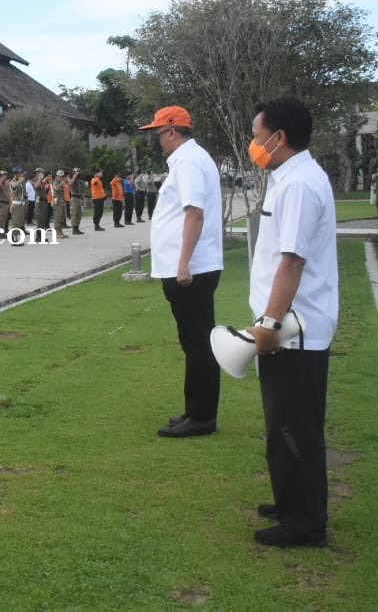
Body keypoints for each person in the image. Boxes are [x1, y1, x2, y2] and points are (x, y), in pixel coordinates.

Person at [244, 97, 338, 547]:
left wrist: (268, 322)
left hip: (294, 329)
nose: (254, 143)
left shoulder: (299, 185)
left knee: (293, 426)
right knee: (286, 421)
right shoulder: (289, 178)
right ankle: (292, 500)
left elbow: (292, 261)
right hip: (289, 325)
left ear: (278, 138)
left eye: (258, 134)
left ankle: (304, 523)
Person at [140, 106, 224, 438]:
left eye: (157, 134)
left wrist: (183, 262)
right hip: (191, 266)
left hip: (191, 269)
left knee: (198, 341)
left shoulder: (188, 161)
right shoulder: (188, 160)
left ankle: (202, 417)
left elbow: (194, 214)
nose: (156, 140)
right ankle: (196, 410)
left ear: (172, 131)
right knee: (194, 340)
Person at [68, 168, 86, 235]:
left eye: (78, 172)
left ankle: (77, 227)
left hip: (79, 198)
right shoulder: (72, 179)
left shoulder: (79, 180)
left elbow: (81, 190)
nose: (78, 173)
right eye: (76, 172)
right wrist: (74, 176)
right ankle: (74, 228)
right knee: (74, 213)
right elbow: (70, 183)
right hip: (74, 197)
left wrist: (82, 199)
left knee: (79, 214)